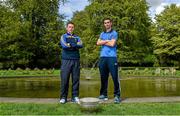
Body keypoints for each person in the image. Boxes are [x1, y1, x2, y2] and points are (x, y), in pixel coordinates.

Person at [96, 18, 121, 103]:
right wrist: (107, 40)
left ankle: (117, 96)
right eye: (105, 23)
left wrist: (103, 41)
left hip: (112, 57)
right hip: (103, 57)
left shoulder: (114, 33)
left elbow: (112, 44)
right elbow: (97, 43)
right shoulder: (102, 33)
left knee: (114, 77)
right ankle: (103, 94)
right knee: (103, 77)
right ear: (104, 24)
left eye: (108, 22)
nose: (106, 24)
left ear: (111, 23)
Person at [59, 22, 83, 104]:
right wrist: (75, 45)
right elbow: (64, 46)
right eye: (69, 27)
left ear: (74, 28)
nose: (71, 28)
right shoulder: (63, 36)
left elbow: (81, 45)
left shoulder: (77, 37)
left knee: (75, 79)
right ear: (66, 28)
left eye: (72, 27)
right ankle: (63, 97)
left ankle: (75, 97)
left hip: (76, 60)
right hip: (66, 60)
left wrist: (70, 44)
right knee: (65, 79)